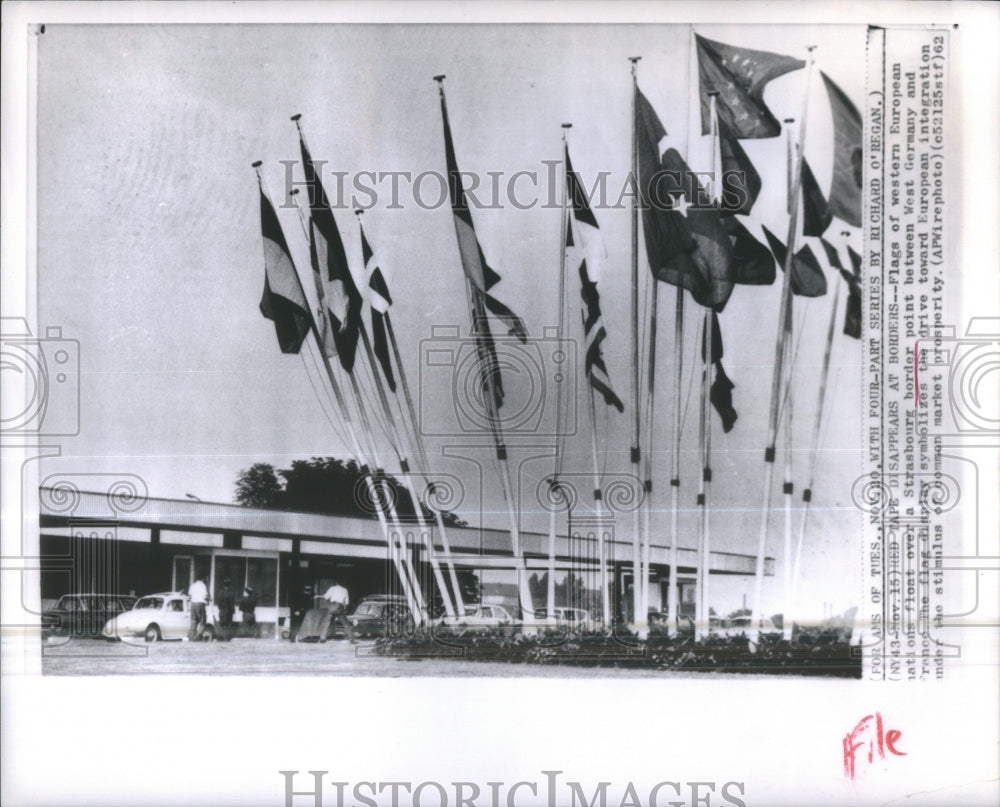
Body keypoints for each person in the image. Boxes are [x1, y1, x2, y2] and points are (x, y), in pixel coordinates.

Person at [187, 573, 209, 641]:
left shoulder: (192, 585)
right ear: (203, 578)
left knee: (194, 621)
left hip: (193, 604)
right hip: (200, 604)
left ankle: (191, 636)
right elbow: (205, 596)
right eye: (205, 578)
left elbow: (189, 596)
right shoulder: (203, 586)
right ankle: (198, 636)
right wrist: (208, 599)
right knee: (203, 621)